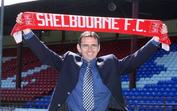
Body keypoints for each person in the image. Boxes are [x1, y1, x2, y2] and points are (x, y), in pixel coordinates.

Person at [16, 13, 167, 111]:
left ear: (99, 47)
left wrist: (155, 40)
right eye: (85, 45)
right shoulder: (68, 61)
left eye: (93, 45)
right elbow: (46, 55)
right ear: (78, 48)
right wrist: (28, 32)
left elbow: (135, 60)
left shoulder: (111, 63)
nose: (89, 49)